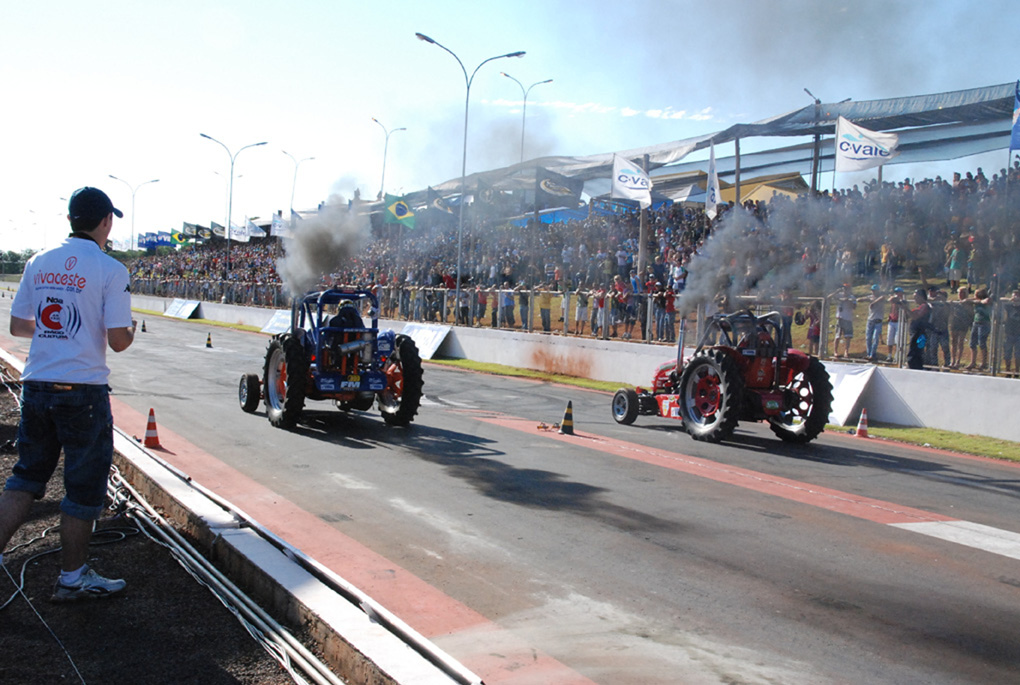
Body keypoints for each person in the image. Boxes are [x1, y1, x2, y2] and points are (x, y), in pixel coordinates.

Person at [0, 187, 136, 602]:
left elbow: (19, 326)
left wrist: (58, 329)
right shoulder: (110, 269)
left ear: (70, 219)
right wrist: (126, 330)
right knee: (83, 489)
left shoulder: (38, 262)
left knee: (25, 476)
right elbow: (118, 341)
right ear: (105, 222)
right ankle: (72, 578)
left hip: (38, 383)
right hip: (83, 390)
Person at [966, 287, 993, 370]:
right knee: (972, 343)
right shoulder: (976, 301)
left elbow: (986, 301)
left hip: (984, 324)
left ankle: (984, 363)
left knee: (982, 343)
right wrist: (975, 300)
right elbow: (967, 300)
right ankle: (973, 362)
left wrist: (980, 301)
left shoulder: (986, 301)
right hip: (975, 323)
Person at [906, 289, 932, 370]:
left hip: (920, 334)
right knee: (913, 351)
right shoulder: (920, 306)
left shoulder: (924, 306)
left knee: (916, 353)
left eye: (916, 297)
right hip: (915, 333)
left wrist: (905, 308)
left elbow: (915, 316)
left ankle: (916, 368)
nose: (915, 299)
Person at [831, 284, 857, 358]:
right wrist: (837, 291)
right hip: (840, 318)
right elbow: (830, 296)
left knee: (848, 336)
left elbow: (854, 307)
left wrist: (849, 301)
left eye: (846, 288)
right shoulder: (839, 295)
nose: (845, 290)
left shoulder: (852, 297)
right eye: (844, 288)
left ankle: (846, 351)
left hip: (848, 318)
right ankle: (835, 351)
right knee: (837, 336)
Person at [864, 284, 886, 361]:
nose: (873, 292)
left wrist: (873, 302)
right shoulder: (870, 297)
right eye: (872, 290)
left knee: (875, 338)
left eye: (875, 290)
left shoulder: (881, 297)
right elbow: (859, 299)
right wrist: (866, 299)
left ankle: (873, 354)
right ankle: (868, 353)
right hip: (870, 320)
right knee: (868, 338)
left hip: (878, 320)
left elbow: (882, 297)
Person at [1002, 289, 1020, 376]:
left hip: (1018, 333)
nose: (1015, 297)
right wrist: (1010, 299)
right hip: (1009, 332)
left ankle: (1017, 371)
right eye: (1014, 295)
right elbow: (999, 299)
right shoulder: (1008, 306)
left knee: (1017, 353)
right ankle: (1007, 370)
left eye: (1017, 295)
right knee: (1007, 353)